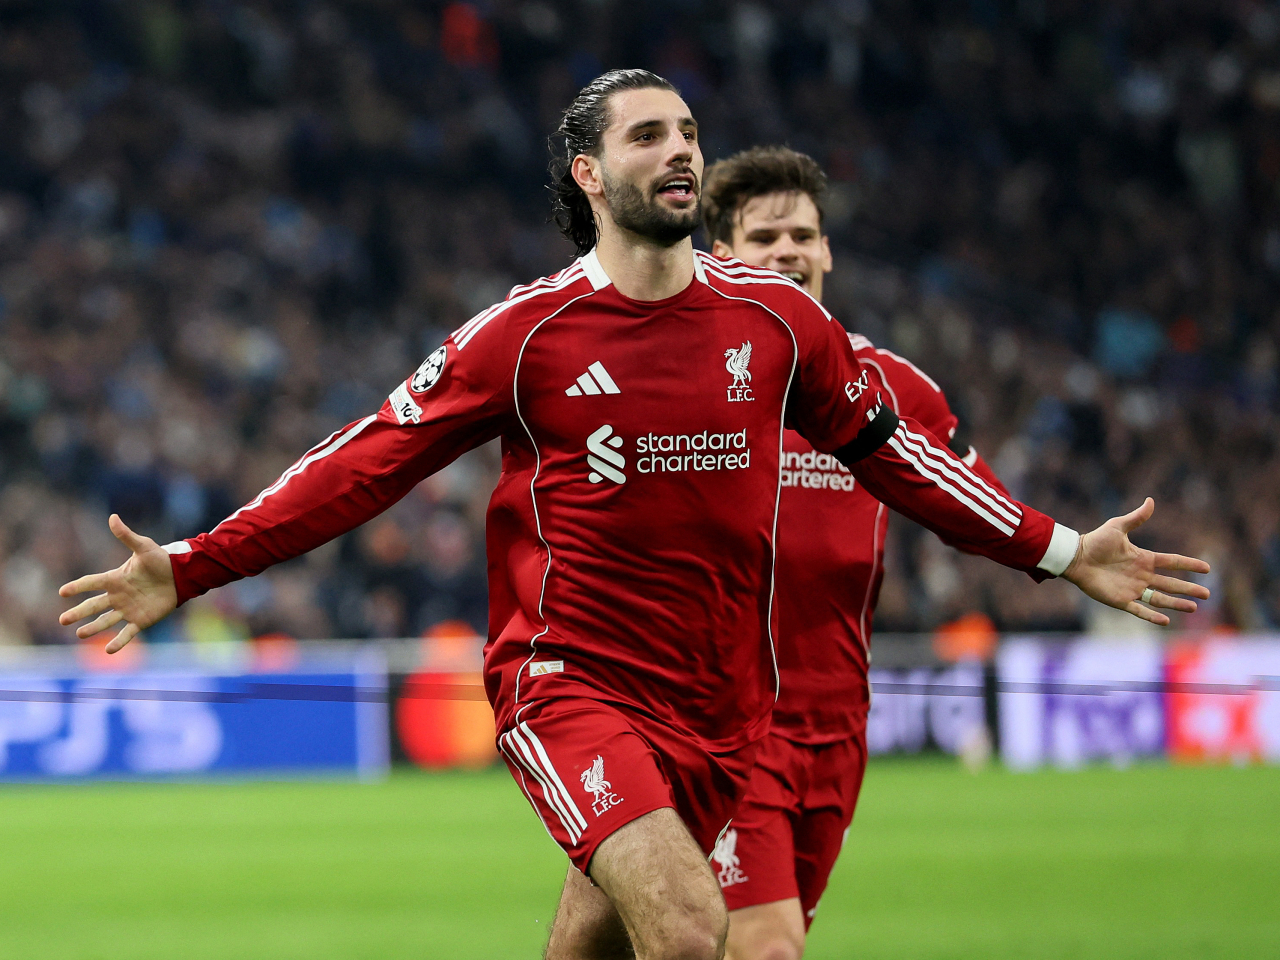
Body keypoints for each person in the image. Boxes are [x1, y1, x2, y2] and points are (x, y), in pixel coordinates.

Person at [59, 70, 1209, 960]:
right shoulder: (524, 337)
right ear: (587, 174)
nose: (679, 150)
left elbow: (897, 458)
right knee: (690, 928)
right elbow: (364, 462)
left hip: (722, 703)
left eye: (688, 132)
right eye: (647, 135)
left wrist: (1060, 550)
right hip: (570, 684)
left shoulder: (777, 325)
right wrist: (193, 566)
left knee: (592, 942)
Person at [701, 145, 1017, 959]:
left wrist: (1074, 552)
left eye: (802, 235)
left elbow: (979, 508)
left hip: (839, 730)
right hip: (727, 725)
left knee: (739, 945)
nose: (787, 251)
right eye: (764, 237)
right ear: (721, 255)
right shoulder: (695, 381)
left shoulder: (892, 387)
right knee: (768, 948)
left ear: (828, 251)